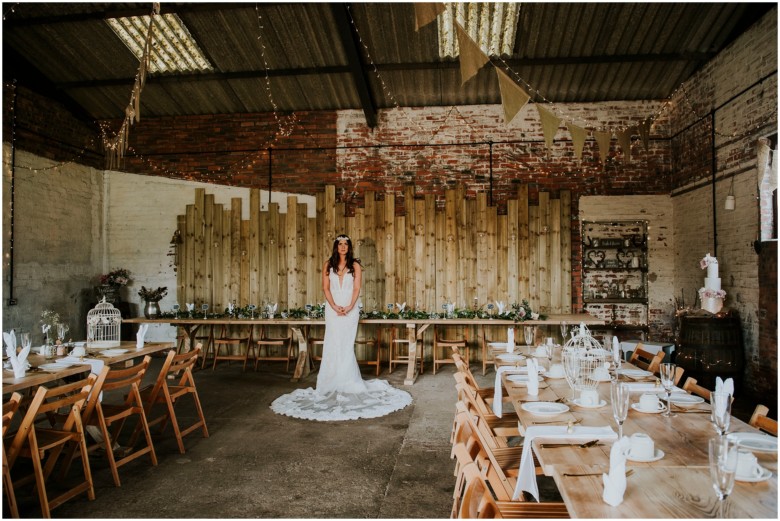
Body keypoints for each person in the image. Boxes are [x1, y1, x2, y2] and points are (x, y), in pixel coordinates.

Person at [270, 234, 412, 421]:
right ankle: (329, 382)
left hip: (351, 309)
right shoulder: (328, 264)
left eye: (346, 244)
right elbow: (326, 288)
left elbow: (356, 289)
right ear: (336, 246)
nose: (343, 246)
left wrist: (351, 306)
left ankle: (349, 382)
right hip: (333, 308)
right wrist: (335, 306)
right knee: (332, 343)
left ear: (349, 247)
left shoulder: (355, 266)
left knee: (345, 345)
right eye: (340, 244)